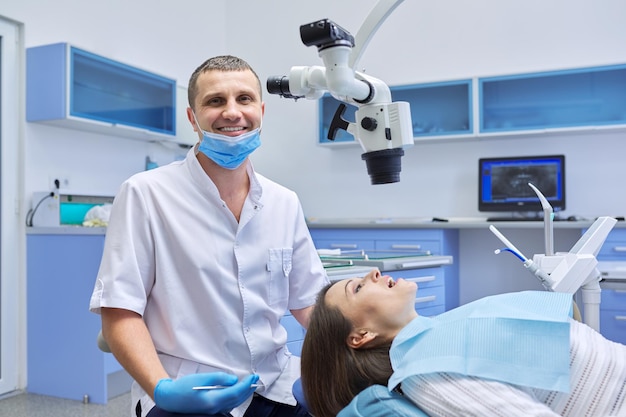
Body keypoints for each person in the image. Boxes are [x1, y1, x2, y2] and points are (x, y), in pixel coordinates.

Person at [89, 55, 329, 417]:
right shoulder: (145, 194)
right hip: (186, 385)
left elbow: (308, 302)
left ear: (261, 110)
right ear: (193, 117)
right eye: (215, 101)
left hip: (275, 381)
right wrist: (162, 388)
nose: (232, 112)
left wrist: (369, 336)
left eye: (244, 99)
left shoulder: (284, 201)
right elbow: (120, 313)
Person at [301, 269, 626, 417]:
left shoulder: (437, 334)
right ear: (361, 336)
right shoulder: (429, 374)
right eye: (357, 288)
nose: (373, 272)